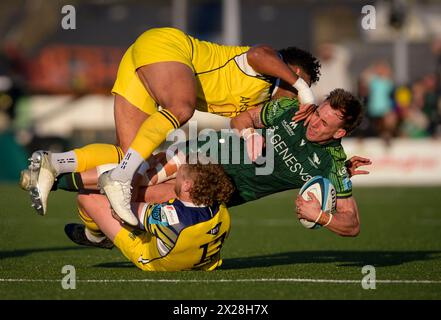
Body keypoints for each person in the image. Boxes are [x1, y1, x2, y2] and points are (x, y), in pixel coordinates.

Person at [23, 27, 321, 218]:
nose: (296, 98)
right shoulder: (266, 65)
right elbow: (259, 53)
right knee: (181, 108)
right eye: (298, 83)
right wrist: (304, 89)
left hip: (141, 60)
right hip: (165, 46)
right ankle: (120, 179)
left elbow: (239, 120)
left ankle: (53, 163)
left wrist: (249, 135)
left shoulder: (261, 102)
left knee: (131, 154)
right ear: (291, 71)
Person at [42, 89, 369, 237]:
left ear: (339, 132)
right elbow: (244, 118)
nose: (314, 122)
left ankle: (99, 229)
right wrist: (247, 133)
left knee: (148, 198)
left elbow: (351, 223)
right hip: (209, 150)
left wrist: (321, 216)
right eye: (318, 113)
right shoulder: (292, 111)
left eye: (324, 123)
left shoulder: (332, 164)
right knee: (138, 178)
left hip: (224, 188)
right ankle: (53, 179)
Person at [65, 162, 235, 271]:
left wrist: (137, 173)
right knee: (163, 190)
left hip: (155, 259)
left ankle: (95, 237)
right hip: (199, 258)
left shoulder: (168, 216)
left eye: (179, 176)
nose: (174, 177)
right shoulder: (221, 209)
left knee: (86, 196)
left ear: (187, 185)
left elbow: (120, 212)